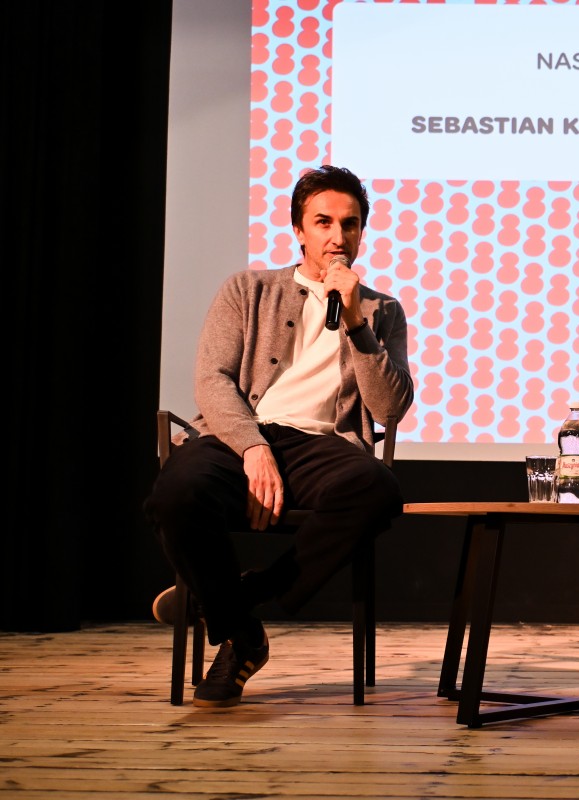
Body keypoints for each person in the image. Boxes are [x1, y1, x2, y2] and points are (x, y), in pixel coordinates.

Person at [144, 165, 414, 708]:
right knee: (177, 492)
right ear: (299, 230)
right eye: (323, 222)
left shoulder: (382, 310)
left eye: (350, 224)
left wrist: (356, 324)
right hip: (239, 435)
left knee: (380, 489)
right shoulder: (248, 289)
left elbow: (390, 408)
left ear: (362, 231)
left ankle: (239, 598)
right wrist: (253, 447)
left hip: (324, 446)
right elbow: (212, 379)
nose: (338, 236)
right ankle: (242, 635)